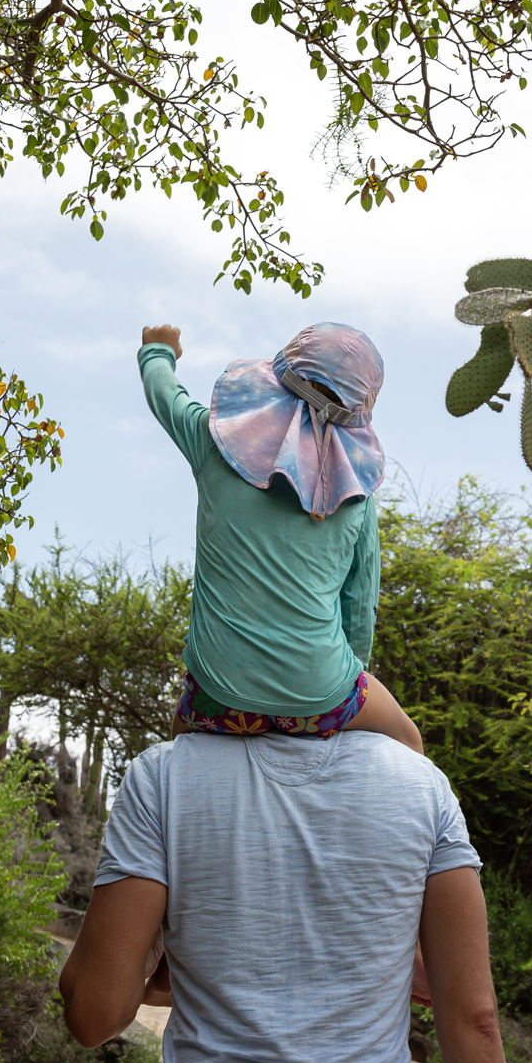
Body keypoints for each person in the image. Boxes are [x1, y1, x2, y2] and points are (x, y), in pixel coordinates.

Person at [56, 725, 512, 1063]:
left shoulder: (164, 775)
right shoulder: (423, 784)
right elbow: (475, 1021)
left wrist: (154, 963)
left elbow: (94, 1017)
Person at [132, 321, 422, 750]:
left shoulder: (212, 442)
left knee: (174, 755)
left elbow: (167, 398)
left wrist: (158, 351)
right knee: (409, 740)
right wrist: (347, 679)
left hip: (217, 693)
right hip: (321, 697)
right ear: (360, 404)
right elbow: (360, 603)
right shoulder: (356, 492)